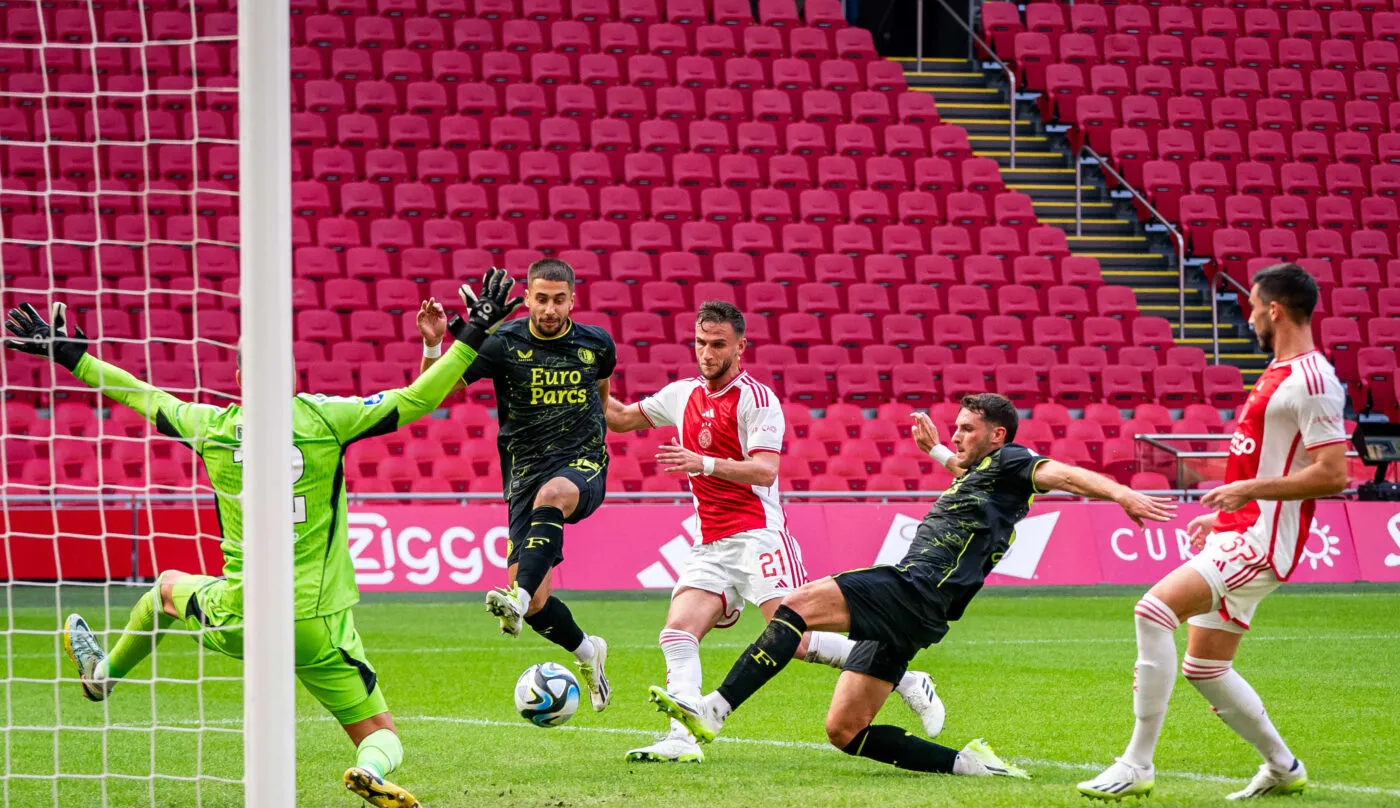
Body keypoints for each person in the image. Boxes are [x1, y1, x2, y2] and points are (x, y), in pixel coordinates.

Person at [4, 287, 514, 808]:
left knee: (165, 591)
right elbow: (418, 399)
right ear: (292, 377)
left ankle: (102, 677)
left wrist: (71, 356)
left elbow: (141, 395)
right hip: (312, 624)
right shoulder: (326, 420)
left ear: (242, 379)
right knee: (379, 732)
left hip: (239, 615)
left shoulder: (211, 428)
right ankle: (374, 772)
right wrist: (471, 332)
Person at [651, 393, 1177, 778]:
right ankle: (971, 766)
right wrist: (935, 451)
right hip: (924, 611)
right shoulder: (978, 472)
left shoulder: (1014, 462)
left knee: (794, 607)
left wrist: (1124, 495)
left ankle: (713, 710)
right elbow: (960, 466)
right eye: (956, 427)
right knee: (846, 732)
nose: (956, 435)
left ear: (997, 436)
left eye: (968, 429)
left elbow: (1065, 474)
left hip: (917, 588)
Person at [605, 301, 945, 763]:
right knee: (677, 633)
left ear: (740, 347)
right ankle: (681, 740)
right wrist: (595, 371)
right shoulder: (681, 393)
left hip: (759, 535)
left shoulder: (758, 400)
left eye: (718, 344)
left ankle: (905, 677)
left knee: (797, 639)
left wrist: (700, 463)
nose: (707, 353)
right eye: (701, 343)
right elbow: (620, 418)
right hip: (710, 543)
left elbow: (765, 472)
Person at [1079, 263, 1348, 802]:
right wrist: (1224, 510)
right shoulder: (1279, 372)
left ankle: (1137, 763)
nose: (1248, 318)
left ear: (1274, 309)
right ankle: (1282, 766)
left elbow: (1333, 474)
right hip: (1241, 528)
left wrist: (1248, 494)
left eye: (1252, 307)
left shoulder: (1314, 381)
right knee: (1206, 665)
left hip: (1265, 540)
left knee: (1151, 611)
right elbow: (1264, 457)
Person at [418, 260, 615, 712]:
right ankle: (588, 652)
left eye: (558, 299)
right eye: (540, 298)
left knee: (554, 499)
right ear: (526, 298)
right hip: (525, 475)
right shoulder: (503, 345)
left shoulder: (596, 344)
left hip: (583, 464)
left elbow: (603, 402)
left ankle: (515, 598)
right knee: (540, 602)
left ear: (572, 299)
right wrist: (434, 346)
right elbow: (430, 393)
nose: (549, 308)